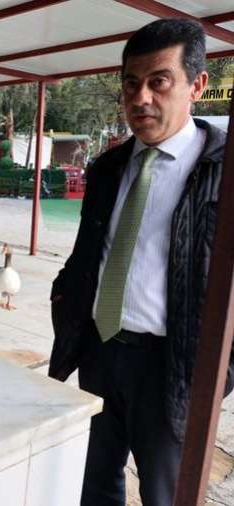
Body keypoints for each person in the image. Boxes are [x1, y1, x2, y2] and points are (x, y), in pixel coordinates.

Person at [48, 19, 227, 506]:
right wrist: (66, 306)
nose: (140, 97)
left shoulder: (224, 172)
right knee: (91, 482)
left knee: (165, 494)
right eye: (131, 83)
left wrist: (218, 372)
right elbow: (88, 255)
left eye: (158, 81)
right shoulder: (107, 169)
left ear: (197, 85)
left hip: (171, 369)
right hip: (100, 350)